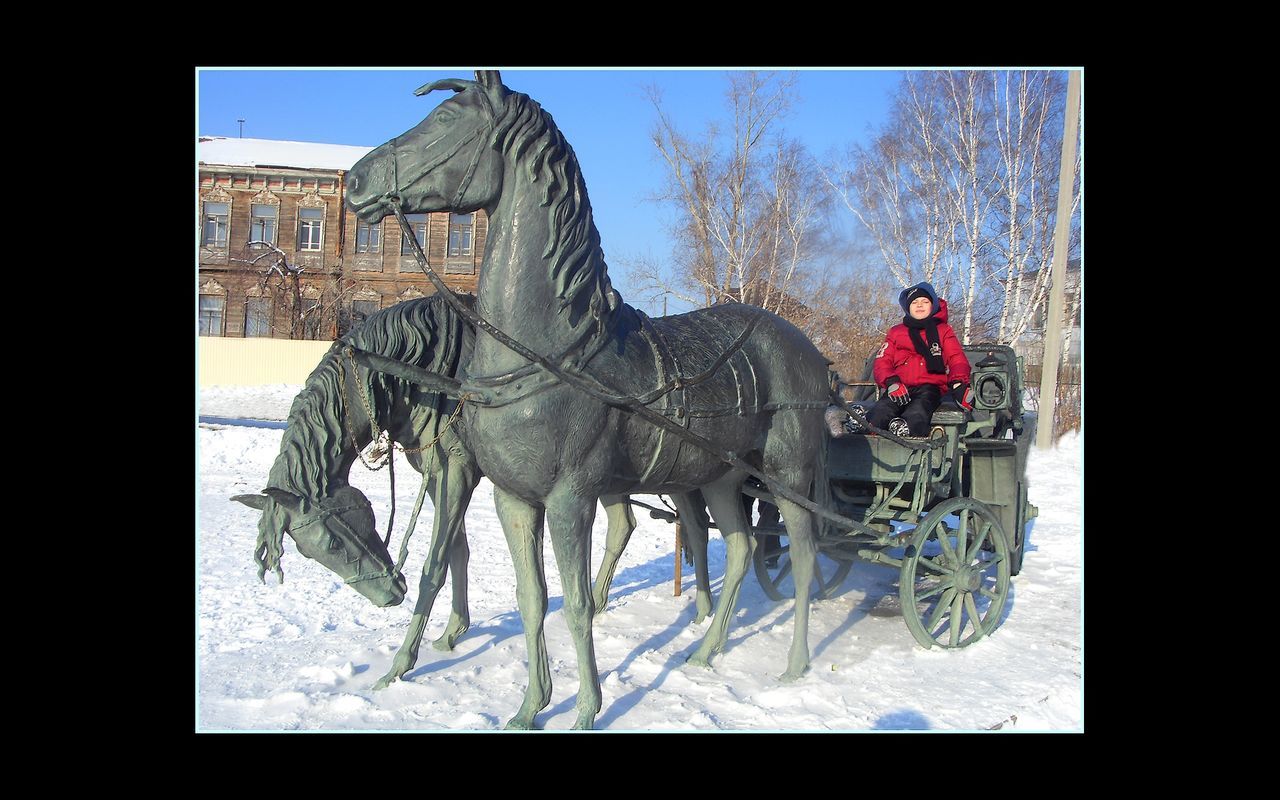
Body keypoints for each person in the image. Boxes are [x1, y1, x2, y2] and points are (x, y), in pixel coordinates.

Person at [864, 281, 974, 438]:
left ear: (933, 305)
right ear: (908, 307)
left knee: (918, 411)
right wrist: (891, 382)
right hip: (899, 386)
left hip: (929, 387)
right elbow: (883, 361)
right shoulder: (896, 332)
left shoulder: (943, 331)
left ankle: (907, 431)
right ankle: (868, 432)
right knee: (882, 409)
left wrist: (958, 383)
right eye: (914, 302)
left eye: (925, 301)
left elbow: (957, 358)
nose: (919, 305)